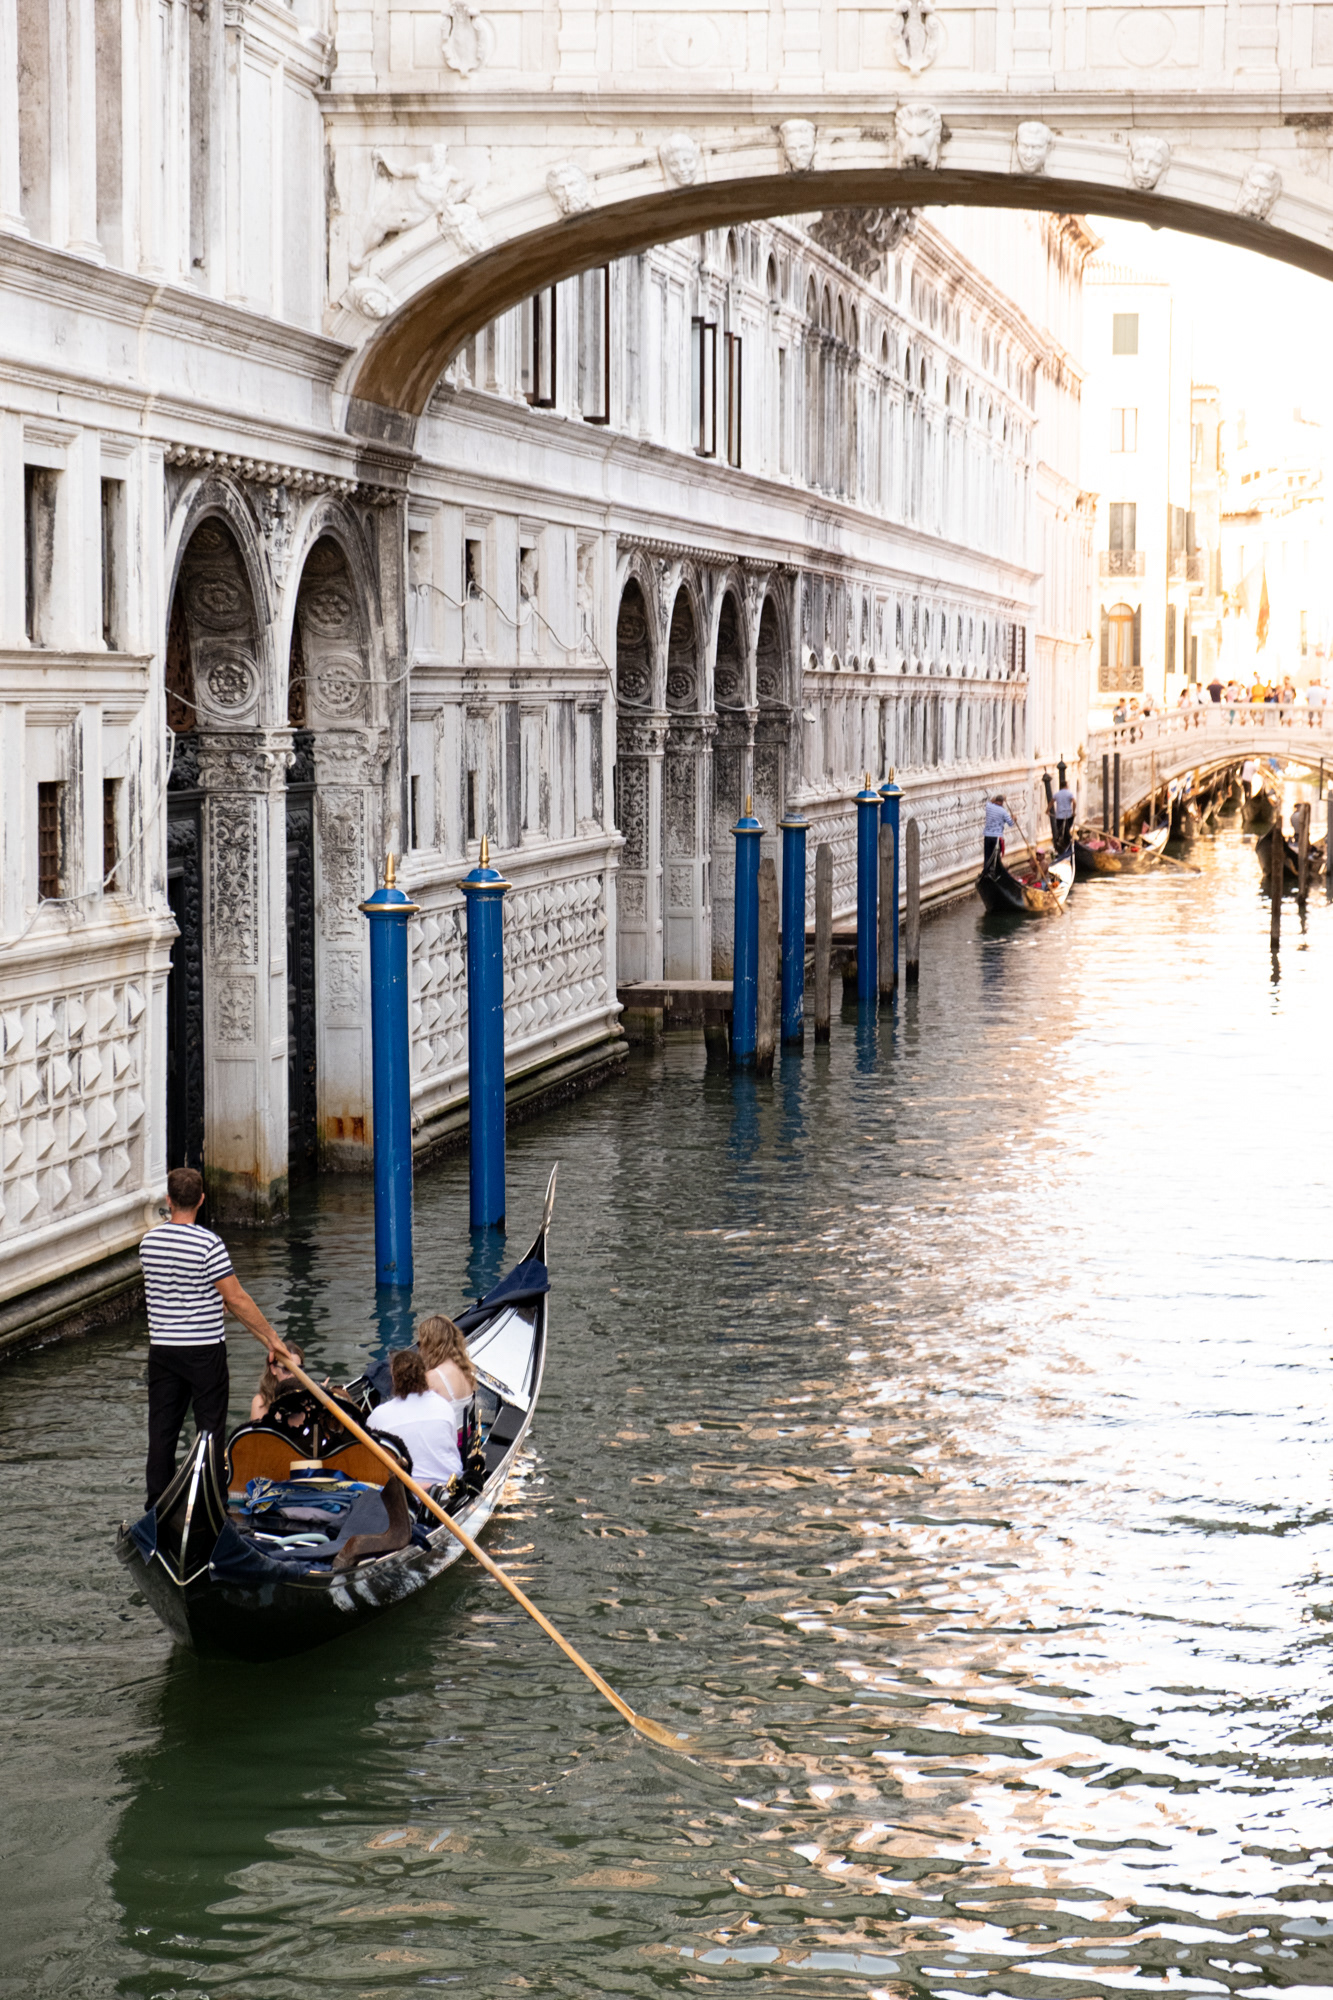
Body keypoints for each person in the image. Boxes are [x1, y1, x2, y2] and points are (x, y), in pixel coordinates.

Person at [139, 1167, 284, 1510]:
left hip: (163, 1350)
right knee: (209, 1432)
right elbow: (235, 1299)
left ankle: (156, 1507)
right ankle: (214, 1506)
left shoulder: (149, 1242)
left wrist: (208, 1299)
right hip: (204, 1351)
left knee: (162, 1432)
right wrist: (271, 1337)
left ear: (169, 1201)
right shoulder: (209, 1244)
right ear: (202, 1200)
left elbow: (173, 1287)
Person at [369, 1348, 465, 1485]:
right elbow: (452, 1446)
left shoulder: (378, 1416)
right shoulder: (444, 1406)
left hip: (407, 1491)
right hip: (448, 1486)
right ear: (423, 1376)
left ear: (394, 1379)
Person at [417, 1314, 478, 1472]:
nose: (419, 1348)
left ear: (430, 1343)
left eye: (420, 1342)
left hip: (445, 1445)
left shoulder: (432, 1377)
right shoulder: (465, 1369)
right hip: (464, 1439)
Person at [251, 1341, 306, 1422]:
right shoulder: (261, 1403)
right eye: (287, 1369)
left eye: (298, 1369)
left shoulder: (308, 1402)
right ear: (273, 1369)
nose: (293, 1375)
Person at [983, 794, 1014, 873]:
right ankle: (995, 872)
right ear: (1002, 802)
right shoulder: (1003, 811)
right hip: (997, 837)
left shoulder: (989, 807)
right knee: (996, 857)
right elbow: (1011, 824)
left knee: (987, 856)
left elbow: (991, 800)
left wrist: (999, 797)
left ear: (996, 801)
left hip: (987, 836)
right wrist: (1014, 819)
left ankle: (986, 872)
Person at [1051, 777, 1076, 853]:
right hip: (1068, 815)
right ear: (1066, 786)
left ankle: (1065, 847)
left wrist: (1047, 811)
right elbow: (1074, 802)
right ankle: (1068, 847)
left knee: (1062, 831)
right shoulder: (1069, 793)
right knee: (1066, 831)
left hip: (1059, 816)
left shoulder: (1057, 794)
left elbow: (1051, 802)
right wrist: (1073, 812)